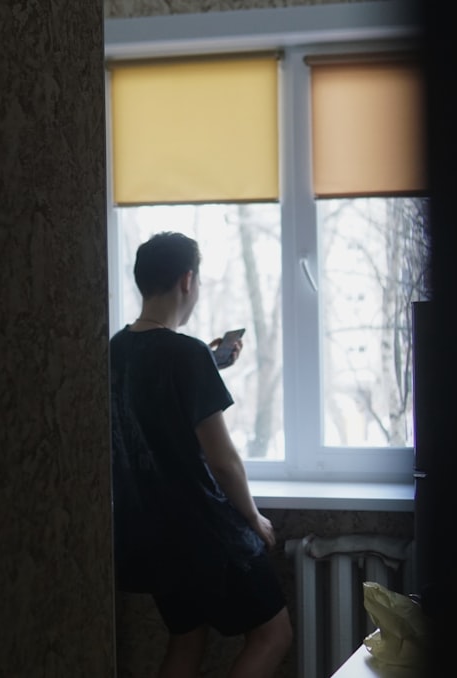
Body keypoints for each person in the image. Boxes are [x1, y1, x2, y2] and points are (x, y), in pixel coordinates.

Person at [110, 232, 292, 678]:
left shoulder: (114, 349)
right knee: (274, 634)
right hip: (201, 530)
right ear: (187, 280)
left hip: (147, 533)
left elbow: (152, 402)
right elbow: (222, 458)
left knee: (187, 637)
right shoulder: (186, 352)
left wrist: (210, 364)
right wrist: (252, 518)